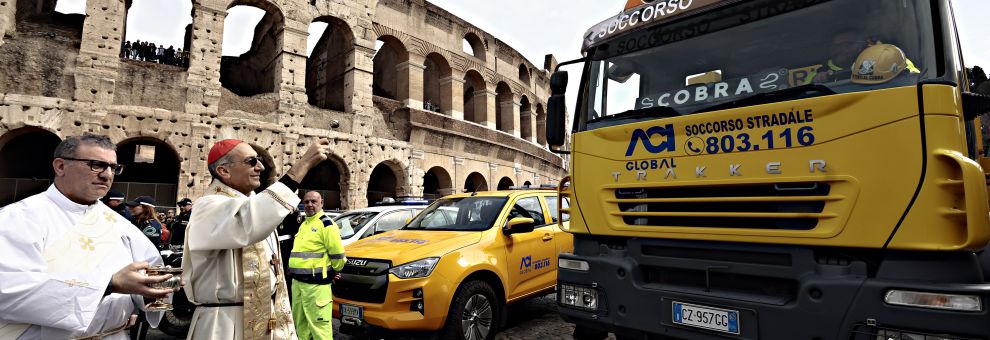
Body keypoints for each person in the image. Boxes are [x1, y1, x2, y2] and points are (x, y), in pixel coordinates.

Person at [0, 134, 176, 339]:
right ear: (60, 166)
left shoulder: (120, 225)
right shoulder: (17, 218)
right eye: (96, 165)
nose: (107, 175)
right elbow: (8, 289)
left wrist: (156, 289)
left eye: (113, 167)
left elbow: (146, 277)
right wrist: (109, 285)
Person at [182, 138, 330, 339]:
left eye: (259, 160)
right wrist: (302, 165)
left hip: (267, 315)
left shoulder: (252, 205)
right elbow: (249, 220)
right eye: (251, 161)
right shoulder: (207, 207)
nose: (260, 167)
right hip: (225, 325)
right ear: (224, 171)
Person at [289, 191, 346, 340]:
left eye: (313, 201)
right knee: (301, 328)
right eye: (306, 202)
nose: (309, 205)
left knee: (320, 331)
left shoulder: (327, 225)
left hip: (316, 287)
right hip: (298, 286)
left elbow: (338, 256)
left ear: (322, 203)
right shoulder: (304, 224)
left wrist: (334, 271)